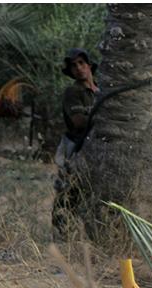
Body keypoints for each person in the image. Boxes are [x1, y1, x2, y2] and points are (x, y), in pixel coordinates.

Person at [52, 48, 99, 239]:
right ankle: (61, 235)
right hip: (74, 147)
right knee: (68, 191)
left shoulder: (101, 90)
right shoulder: (73, 92)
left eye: (81, 63)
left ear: (89, 65)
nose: (78, 68)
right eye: (73, 66)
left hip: (94, 145)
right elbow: (79, 121)